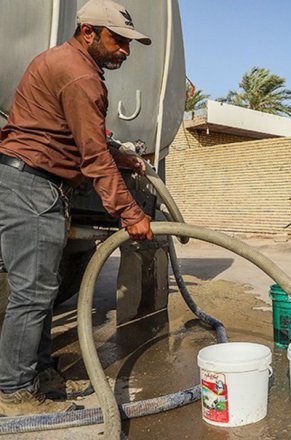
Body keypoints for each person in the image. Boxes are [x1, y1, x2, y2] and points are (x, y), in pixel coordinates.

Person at [0, 0, 154, 415]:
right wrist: (132, 214)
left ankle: (42, 377)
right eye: (118, 40)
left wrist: (126, 158)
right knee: (32, 295)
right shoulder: (80, 75)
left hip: (37, 185)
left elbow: (80, 139)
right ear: (89, 32)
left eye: (128, 42)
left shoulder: (66, 63)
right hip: (31, 185)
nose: (125, 50)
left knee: (42, 293)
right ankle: (13, 393)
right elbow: (94, 159)